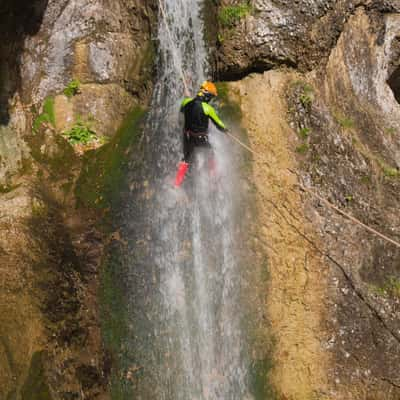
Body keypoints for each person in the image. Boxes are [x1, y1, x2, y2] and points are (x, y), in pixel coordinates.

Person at [174, 81, 227, 187]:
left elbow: (181, 114)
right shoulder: (208, 108)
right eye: (211, 97)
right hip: (200, 138)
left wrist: (188, 99)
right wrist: (226, 130)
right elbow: (219, 124)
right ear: (207, 96)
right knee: (211, 152)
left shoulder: (186, 103)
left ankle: (176, 184)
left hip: (188, 137)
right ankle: (213, 176)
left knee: (186, 158)